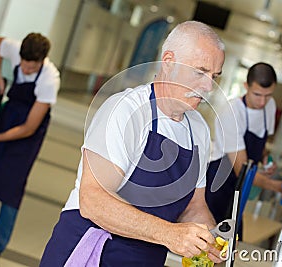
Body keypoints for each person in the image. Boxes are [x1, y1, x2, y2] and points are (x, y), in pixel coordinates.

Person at [40, 21, 226, 266]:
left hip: (145, 259)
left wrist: (211, 239)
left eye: (214, 76)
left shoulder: (198, 129)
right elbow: (93, 201)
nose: (208, 87)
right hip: (92, 252)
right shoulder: (125, 111)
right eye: (200, 72)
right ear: (169, 62)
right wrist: (168, 234)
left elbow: (193, 205)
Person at [0, 33, 60, 266]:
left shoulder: (49, 78)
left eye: (32, 66)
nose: (26, 70)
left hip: (27, 134)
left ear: (42, 61)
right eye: (24, 64)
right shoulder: (17, 50)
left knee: (11, 189)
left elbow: (29, 127)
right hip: (6, 116)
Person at [205, 62, 282, 239]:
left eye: (268, 95)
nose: (262, 101)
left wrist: (266, 161)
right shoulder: (231, 113)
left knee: (233, 244)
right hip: (218, 186)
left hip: (239, 190)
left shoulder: (269, 107)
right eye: (257, 94)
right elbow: (242, 169)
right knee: (211, 243)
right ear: (246, 86)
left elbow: (260, 147)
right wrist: (277, 187)